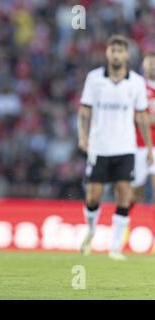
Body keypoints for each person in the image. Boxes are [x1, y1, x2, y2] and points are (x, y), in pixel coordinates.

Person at [77, 35, 152, 261]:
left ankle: (116, 247)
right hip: (99, 147)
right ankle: (91, 229)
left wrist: (149, 147)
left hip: (125, 147)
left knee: (123, 195)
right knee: (93, 196)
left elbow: (141, 116)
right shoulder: (95, 79)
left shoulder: (136, 82)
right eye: (113, 50)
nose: (116, 54)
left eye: (120, 50)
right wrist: (83, 137)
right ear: (107, 53)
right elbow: (84, 111)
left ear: (126, 55)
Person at [131, 52, 155, 206]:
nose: (152, 66)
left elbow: (144, 117)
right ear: (143, 65)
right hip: (137, 146)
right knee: (135, 193)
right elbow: (136, 117)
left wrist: (147, 118)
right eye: (149, 63)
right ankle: (134, 226)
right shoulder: (137, 87)